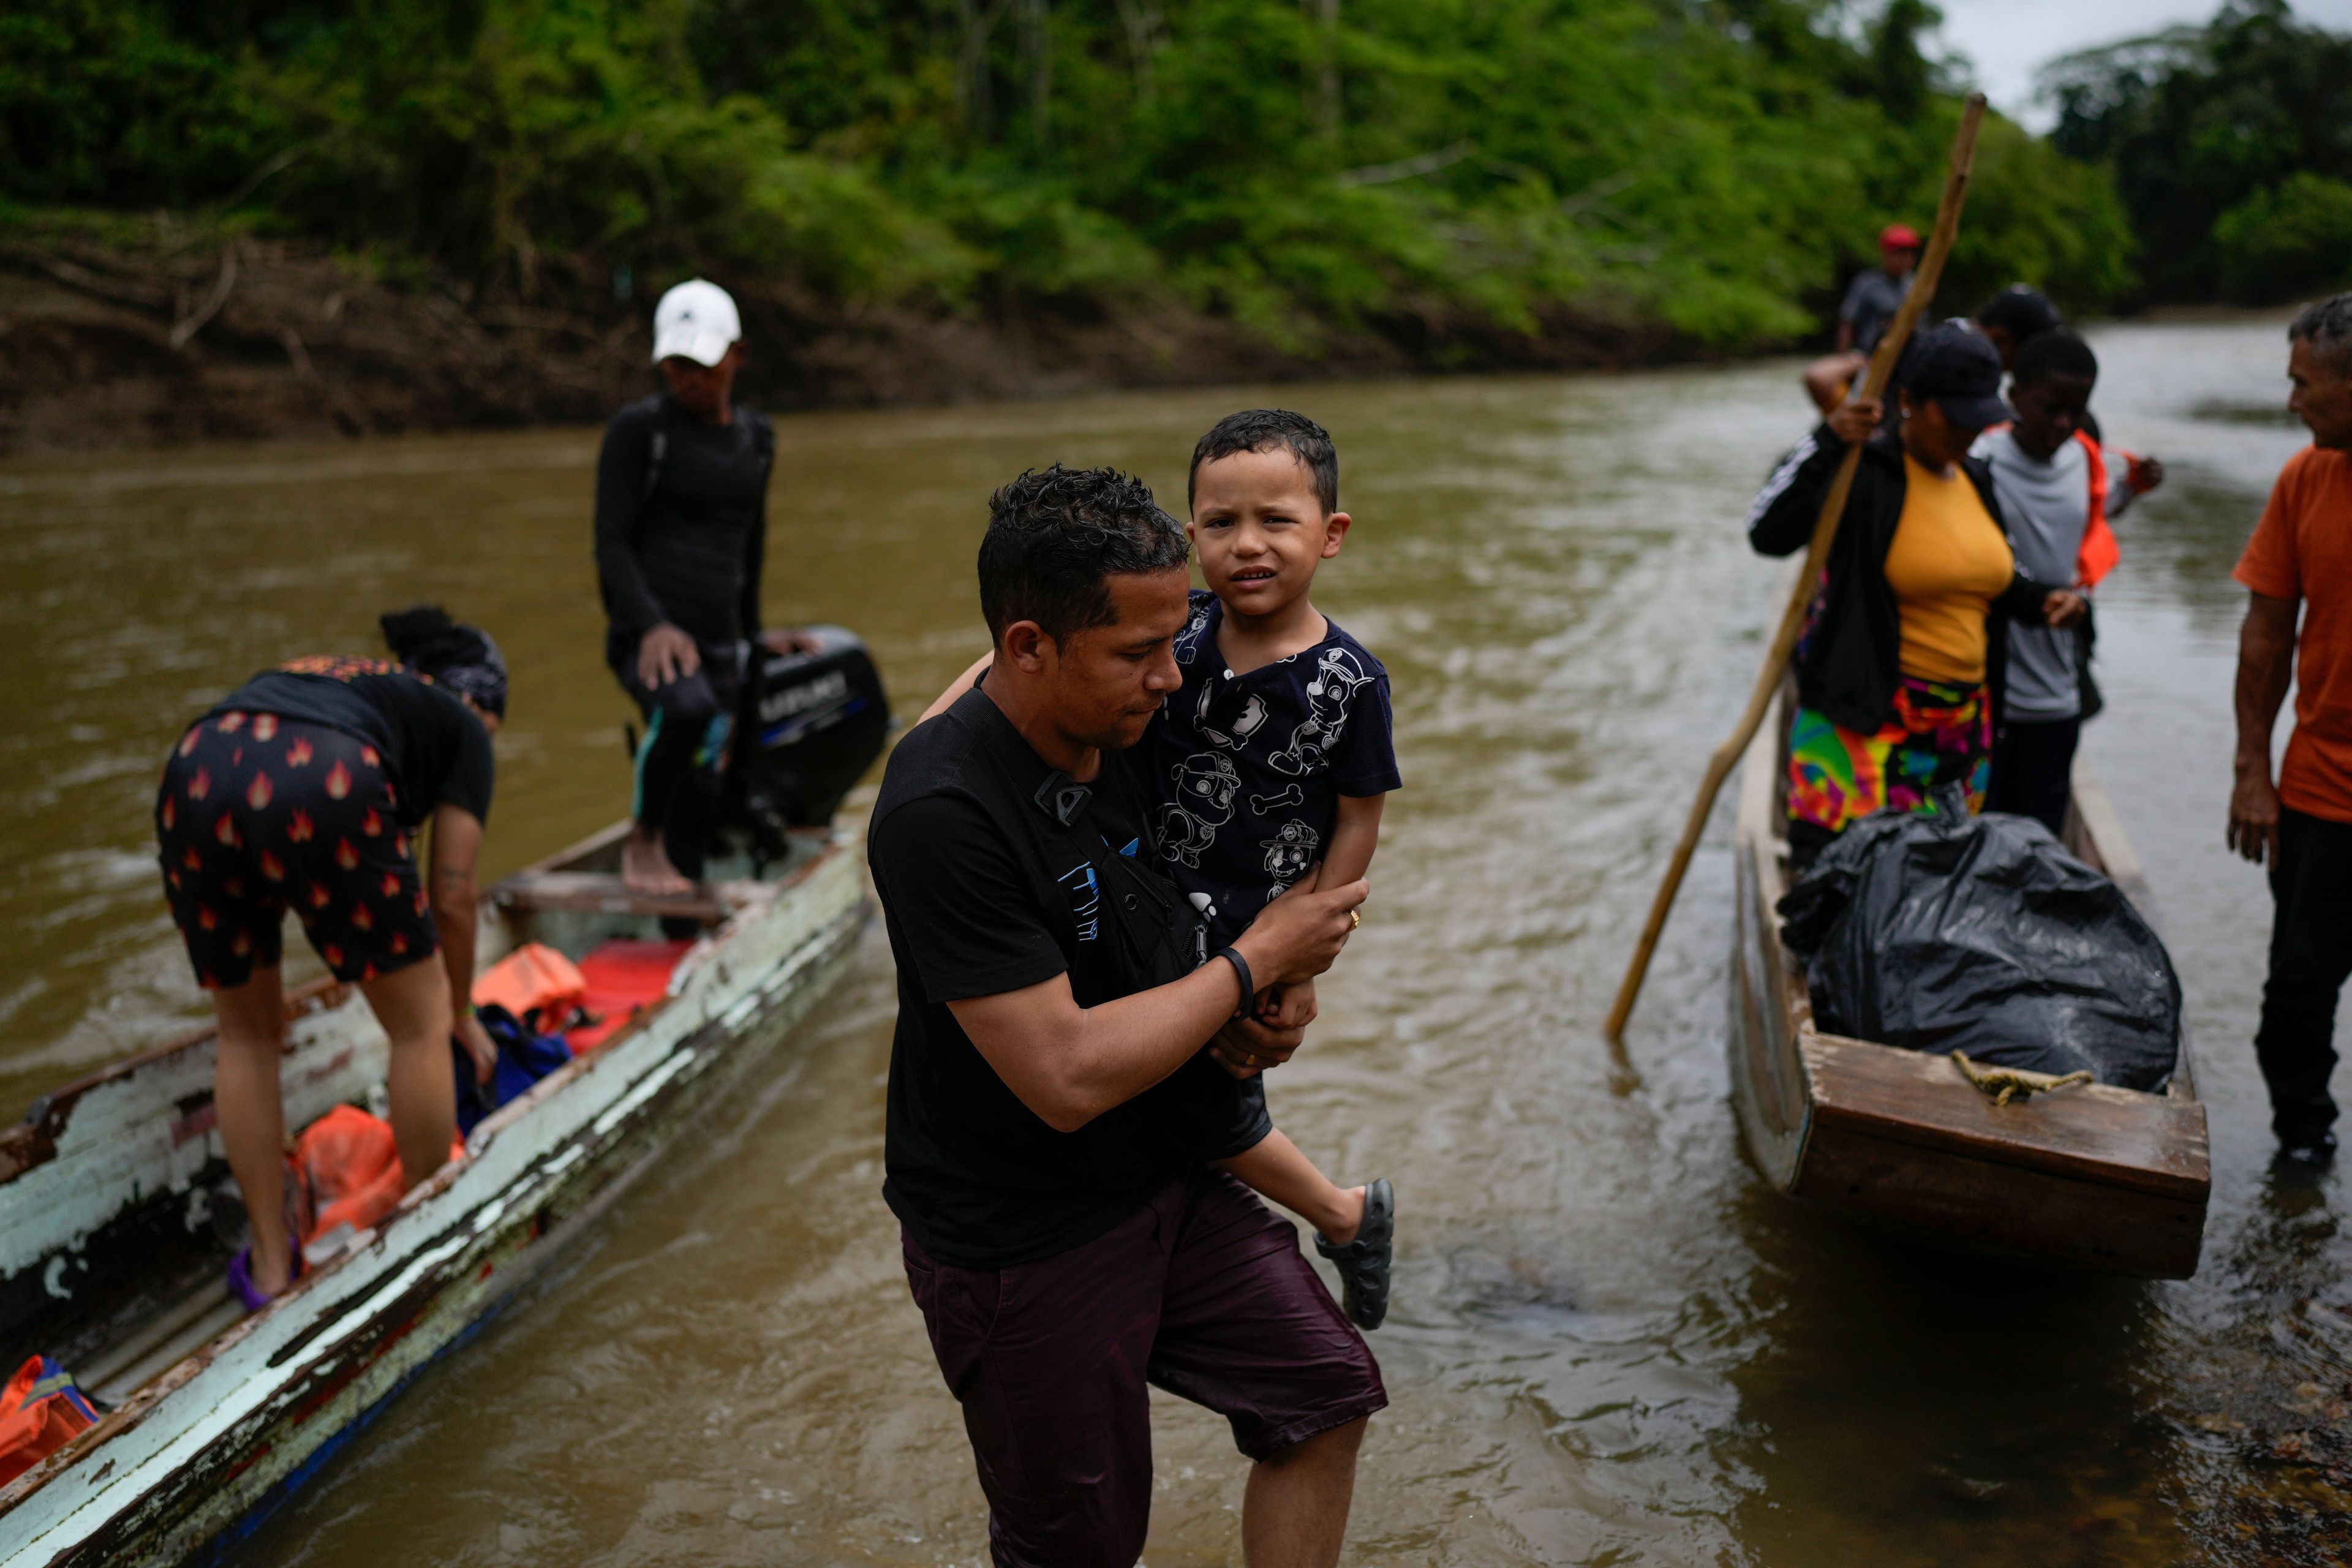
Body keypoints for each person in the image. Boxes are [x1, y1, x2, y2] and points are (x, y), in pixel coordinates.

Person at [872, 466, 1382, 1568]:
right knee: (1082, 1546)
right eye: (1136, 655)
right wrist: (1256, 964)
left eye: (1175, 640)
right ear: (1026, 649)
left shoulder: (1127, 702)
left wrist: (1271, 1000)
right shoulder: (943, 813)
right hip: (1023, 1234)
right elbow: (1064, 1078)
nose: (1172, 678)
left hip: (1161, 1171)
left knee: (1325, 1395)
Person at [918, 410, 1403, 1330]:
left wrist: (1301, 957)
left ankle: (1345, 1214)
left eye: (1276, 522)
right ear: (1191, 540)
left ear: (1331, 536)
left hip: (1247, 927)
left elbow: (1359, 816)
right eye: (1220, 525)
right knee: (1168, 1092)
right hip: (1147, 899)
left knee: (1209, 1106)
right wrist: (939, 748)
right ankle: (1339, 1214)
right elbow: (1038, 656)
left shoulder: (1349, 681)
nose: (1247, 546)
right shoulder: (1180, 632)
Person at [154, 607, 506, 1309]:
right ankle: (427, 1237)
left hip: (196, 765)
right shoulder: (463, 725)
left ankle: (272, 1266)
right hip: (326, 774)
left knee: (245, 1033)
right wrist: (459, 1011)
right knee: (418, 1023)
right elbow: (457, 894)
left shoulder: (356, 684)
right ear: (481, 701)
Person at [1747, 320, 2086, 864]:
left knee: (1935, 891)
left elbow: (1999, 578)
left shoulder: (1975, 478)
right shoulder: (1864, 470)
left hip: (1958, 735)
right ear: (1909, 400)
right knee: (1847, 887)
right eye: (1954, 420)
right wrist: (1827, 439)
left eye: (1979, 421)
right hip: (1866, 726)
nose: (1967, 435)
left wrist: (2044, 599)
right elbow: (1767, 531)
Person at [594, 277, 819, 896]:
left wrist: (753, 635)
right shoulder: (639, 432)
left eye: (702, 363)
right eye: (676, 364)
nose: (689, 377)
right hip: (652, 635)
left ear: (738, 355)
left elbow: (750, 538)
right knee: (684, 712)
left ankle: (679, 922)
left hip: (720, 637)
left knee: (704, 787)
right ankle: (641, 840)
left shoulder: (757, 437)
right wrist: (649, 625)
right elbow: (610, 543)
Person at [2227, 293, 2352, 1169]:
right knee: (2297, 999)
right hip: (2319, 795)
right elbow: (2266, 633)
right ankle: (2302, 1154)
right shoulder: (2304, 480)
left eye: (2305, 384)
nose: (2292, 401)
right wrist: (2251, 771)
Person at [1971, 330, 2165, 835]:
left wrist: (2132, 490)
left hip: (2057, 694)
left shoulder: (2084, 457)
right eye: (2049, 408)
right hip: (1988, 693)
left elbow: (2089, 517)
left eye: (2076, 411)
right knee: (1980, 835)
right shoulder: (1978, 460)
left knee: (2038, 840)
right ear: (2014, 397)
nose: (2063, 424)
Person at [1803, 223, 1921, 415]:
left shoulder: (1916, 286)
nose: (1904, 259)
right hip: (1865, 357)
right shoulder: (1867, 284)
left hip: (1904, 360)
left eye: (1908, 254)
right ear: (1886, 255)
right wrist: (1846, 358)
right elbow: (1848, 322)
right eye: (1898, 253)